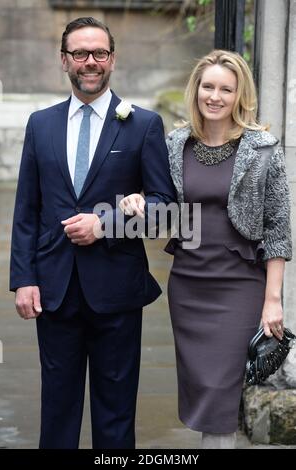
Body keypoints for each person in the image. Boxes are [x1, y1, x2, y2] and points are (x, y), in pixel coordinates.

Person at [10, 17, 176, 449]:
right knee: (57, 409)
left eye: (99, 53)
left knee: (116, 413)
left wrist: (107, 224)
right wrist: (24, 279)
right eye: (80, 53)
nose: (90, 62)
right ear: (64, 60)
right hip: (54, 288)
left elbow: (166, 208)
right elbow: (27, 209)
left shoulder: (143, 124)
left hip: (117, 291)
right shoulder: (40, 124)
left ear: (113, 59)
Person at [118, 50, 292, 449]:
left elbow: (278, 230)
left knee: (219, 397)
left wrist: (272, 300)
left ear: (239, 95)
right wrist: (137, 203)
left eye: (226, 89)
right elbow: (163, 210)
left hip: (239, 287)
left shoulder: (263, 149)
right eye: (208, 86)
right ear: (196, 90)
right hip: (189, 286)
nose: (215, 96)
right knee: (202, 394)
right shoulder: (176, 144)